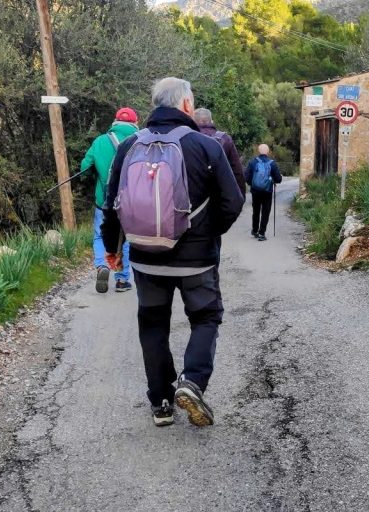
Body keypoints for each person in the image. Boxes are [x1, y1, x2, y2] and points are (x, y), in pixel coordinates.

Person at [101, 78, 243, 428]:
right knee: (206, 317)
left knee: (152, 324)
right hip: (196, 261)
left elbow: (112, 204)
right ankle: (192, 382)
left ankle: (161, 403)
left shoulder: (129, 146)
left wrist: (112, 249)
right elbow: (233, 200)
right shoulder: (205, 146)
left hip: (145, 257)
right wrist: (207, 234)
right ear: (186, 105)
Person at [81, 107, 137, 294]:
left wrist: (97, 171)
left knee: (99, 235)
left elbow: (84, 168)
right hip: (131, 202)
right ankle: (121, 280)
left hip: (104, 200)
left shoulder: (100, 141)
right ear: (135, 123)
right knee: (125, 239)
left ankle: (102, 266)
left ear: (115, 122)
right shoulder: (140, 141)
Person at [194, 108, 245, 197]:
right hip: (220, 194)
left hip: (195, 195)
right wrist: (241, 195)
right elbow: (237, 170)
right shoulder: (225, 139)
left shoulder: (188, 138)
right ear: (211, 121)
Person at [244, 144, 282, 241]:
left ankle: (255, 230)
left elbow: (246, 177)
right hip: (267, 191)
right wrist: (272, 180)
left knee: (256, 211)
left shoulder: (252, 162)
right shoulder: (272, 164)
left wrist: (252, 184)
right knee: (265, 212)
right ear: (268, 152)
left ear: (258, 151)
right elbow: (278, 179)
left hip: (255, 191)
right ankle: (262, 233)